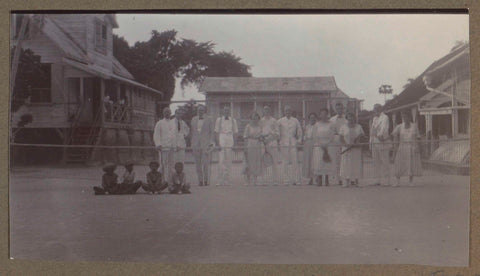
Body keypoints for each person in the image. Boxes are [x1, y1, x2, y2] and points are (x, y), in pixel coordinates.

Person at [391, 111, 422, 186]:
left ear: (409, 117)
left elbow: (417, 137)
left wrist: (417, 147)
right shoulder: (399, 126)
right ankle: (397, 182)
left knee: (411, 164)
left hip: (411, 147)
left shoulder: (414, 126)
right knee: (399, 163)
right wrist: (395, 145)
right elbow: (393, 134)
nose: (404, 119)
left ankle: (410, 181)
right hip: (402, 146)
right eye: (403, 117)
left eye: (406, 117)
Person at [278, 105, 302, 185]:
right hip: (284, 142)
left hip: (293, 142)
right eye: (286, 110)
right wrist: (278, 140)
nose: (287, 112)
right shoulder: (280, 121)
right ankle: (286, 180)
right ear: (284, 112)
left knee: (295, 161)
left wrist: (299, 140)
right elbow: (275, 130)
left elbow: (299, 131)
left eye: (289, 110)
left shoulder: (295, 120)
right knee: (285, 162)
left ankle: (296, 179)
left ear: (291, 111)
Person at [339, 112, 365, 187]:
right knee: (346, 164)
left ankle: (356, 181)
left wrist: (357, 142)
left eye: (352, 117)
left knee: (356, 164)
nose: (351, 118)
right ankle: (346, 181)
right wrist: (346, 144)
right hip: (346, 148)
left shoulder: (359, 126)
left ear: (354, 118)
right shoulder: (343, 127)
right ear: (347, 118)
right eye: (349, 117)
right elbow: (341, 138)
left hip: (356, 149)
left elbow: (362, 136)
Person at [191, 105, 215, 186]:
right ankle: (200, 180)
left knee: (205, 163)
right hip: (196, 144)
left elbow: (211, 132)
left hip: (205, 144)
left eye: (202, 110)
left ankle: (206, 180)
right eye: (199, 110)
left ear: (204, 111)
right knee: (197, 163)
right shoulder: (193, 119)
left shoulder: (209, 119)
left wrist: (211, 143)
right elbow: (192, 132)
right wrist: (192, 143)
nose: (200, 112)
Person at [215, 105, 238, 186]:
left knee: (228, 160)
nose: (226, 112)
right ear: (223, 111)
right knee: (221, 160)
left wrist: (235, 144)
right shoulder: (219, 120)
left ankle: (227, 180)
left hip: (230, 138)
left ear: (230, 111)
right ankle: (219, 180)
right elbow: (216, 132)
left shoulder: (233, 120)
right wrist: (217, 143)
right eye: (225, 110)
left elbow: (235, 132)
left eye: (228, 110)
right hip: (222, 137)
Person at [153, 107, 178, 184]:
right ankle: (160, 180)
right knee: (163, 164)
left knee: (171, 165)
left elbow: (175, 135)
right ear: (163, 114)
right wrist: (158, 144)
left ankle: (169, 181)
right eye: (166, 112)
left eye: (168, 112)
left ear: (171, 113)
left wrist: (176, 145)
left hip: (172, 147)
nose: (167, 114)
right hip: (163, 147)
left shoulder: (173, 123)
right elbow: (156, 134)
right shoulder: (159, 123)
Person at [312, 108, 335, 186]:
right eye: (322, 114)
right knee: (319, 162)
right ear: (320, 115)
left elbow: (332, 135)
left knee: (327, 162)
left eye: (325, 114)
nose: (324, 116)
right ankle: (319, 179)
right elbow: (314, 136)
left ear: (327, 115)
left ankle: (327, 179)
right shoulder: (316, 125)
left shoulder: (331, 124)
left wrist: (327, 143)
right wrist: (320, 144)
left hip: (328, 145)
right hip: (319, 146)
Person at [370, 104, 391, 186]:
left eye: (375, 109)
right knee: (375, 161)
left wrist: (380, 135)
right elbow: (372, 130)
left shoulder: (385, 117)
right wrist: (371, 141)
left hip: (382, 141)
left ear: (380, 109)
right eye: (374, 109)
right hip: (375, 141)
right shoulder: (374, 118)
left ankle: (387, 179)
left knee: (385, 161)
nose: (374, 111)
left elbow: (384, 128)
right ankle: (377, 179)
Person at [259, 105, 280, 185]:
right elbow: (260, 132)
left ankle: (275, 180)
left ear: (270, 111)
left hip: (272, 143)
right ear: (263, 111)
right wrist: (264, 140)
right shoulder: (261, 121)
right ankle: (264, 180)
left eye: (268, 110)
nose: (266, 111)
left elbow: (277, 133)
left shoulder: (274, 120)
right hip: (264, 143)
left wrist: (269, 139)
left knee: (275, 162)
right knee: (263, 161)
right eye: (265, 110)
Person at [329, 102, 348, 185]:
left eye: (341, 108)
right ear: (335, 109)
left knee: (344, 158)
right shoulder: (332, 120)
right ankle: (338, 178)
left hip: (344, 139)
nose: (339, 110)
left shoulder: (346, 119)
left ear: (343, 109)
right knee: (336, 159)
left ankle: (345, 177)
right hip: (336, 138)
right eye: (337, 109)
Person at [243, 112, 263, 185]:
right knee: (248, 162)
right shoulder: (248, 126)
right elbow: (245, 137)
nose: (255, 120)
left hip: (257, 145)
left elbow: (261, 136)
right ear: (251, 119)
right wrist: (245, 147)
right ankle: (248, 180)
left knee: (256, 162)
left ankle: (255, 180)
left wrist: (260, 138)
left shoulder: (260, 126)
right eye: (253, 118)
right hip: (250, 144)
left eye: (256, 118)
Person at [302, 112, 317, 185]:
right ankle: (310, 178)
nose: (312, 119)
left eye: (314, 118)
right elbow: (304, 136)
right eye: (311, 118)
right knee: (308, 161)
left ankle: (316, 178)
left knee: (314, 161)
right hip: (307, 144)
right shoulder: (307, 127)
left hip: (315, 144)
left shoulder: (317, 126)